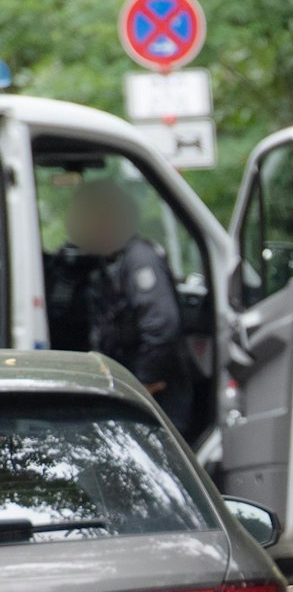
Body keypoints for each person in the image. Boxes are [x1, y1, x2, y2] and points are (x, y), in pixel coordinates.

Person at [48, 180, 192, 428]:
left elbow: (162, 325)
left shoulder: (139, 259)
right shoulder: (109, 261)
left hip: (155, 396)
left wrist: (142, 383)